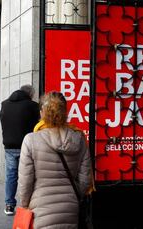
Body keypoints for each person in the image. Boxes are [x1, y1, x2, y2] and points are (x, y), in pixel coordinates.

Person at [18, 91, 92, 229]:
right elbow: (85, 178)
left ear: (42, 113)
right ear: (65, 112)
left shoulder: (31, 140)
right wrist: (74, 195)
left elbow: (25, 181)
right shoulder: (78, 138)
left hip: (40, 208)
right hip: (70, 206)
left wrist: (24, 204)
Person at [0, 85, 40, 216]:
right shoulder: (32, 105)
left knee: (11, 176)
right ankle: (29, 204)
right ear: (30, 94)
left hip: (10, 146)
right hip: (26, 146)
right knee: (29, 176)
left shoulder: (4, 104)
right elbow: (37, 125)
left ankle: (9, 205)